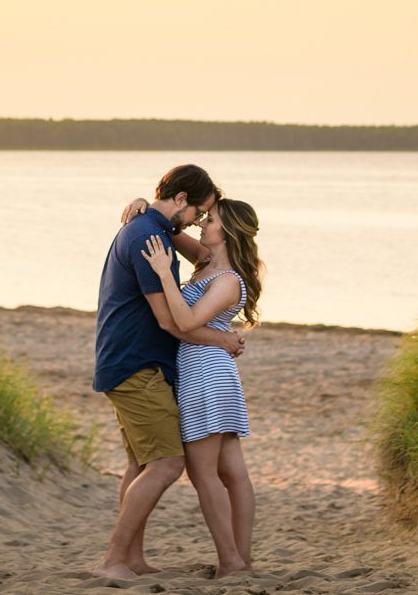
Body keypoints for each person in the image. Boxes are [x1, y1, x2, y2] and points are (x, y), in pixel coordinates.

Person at [93, 165, 245, 580]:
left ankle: (132, 558)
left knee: (142, 465)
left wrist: (147, 207)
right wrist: (223, 341)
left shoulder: (151, 228)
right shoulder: (146, 236)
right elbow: (170, 322)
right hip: (136, 364)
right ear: (181, 200)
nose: (199, 223)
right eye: (200, 211)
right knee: (165, 464)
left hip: (133, 362)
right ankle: (113, 561)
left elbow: (204, 255)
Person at [141, 198, 263, 577]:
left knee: (204, 474)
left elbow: (187, 320)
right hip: (209, 369)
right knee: (232, 473)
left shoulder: (227, 281)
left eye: (210, 220)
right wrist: (143, 205)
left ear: (226, 232)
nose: (203, 224)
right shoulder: (206, 265)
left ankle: (230, 561)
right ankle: (241, 561)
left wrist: (163, 274)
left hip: (205, 375)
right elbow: (171, 227)